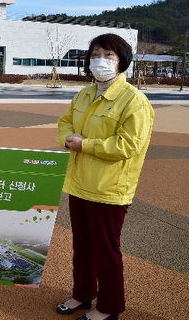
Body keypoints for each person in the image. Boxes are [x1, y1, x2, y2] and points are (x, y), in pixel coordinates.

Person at [56, 34, 154, 320]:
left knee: (106, 249)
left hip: (109, 188)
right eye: (96, 54)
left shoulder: (133, 100)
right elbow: (65, 122)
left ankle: (109, 307)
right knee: (82, 245)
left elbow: (129, 144)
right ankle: (82, 294)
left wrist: (85, 144)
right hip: (79, 184)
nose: (100, 60)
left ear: (122, 61)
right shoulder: (84, 94)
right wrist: (67, 139)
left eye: (108, 55)